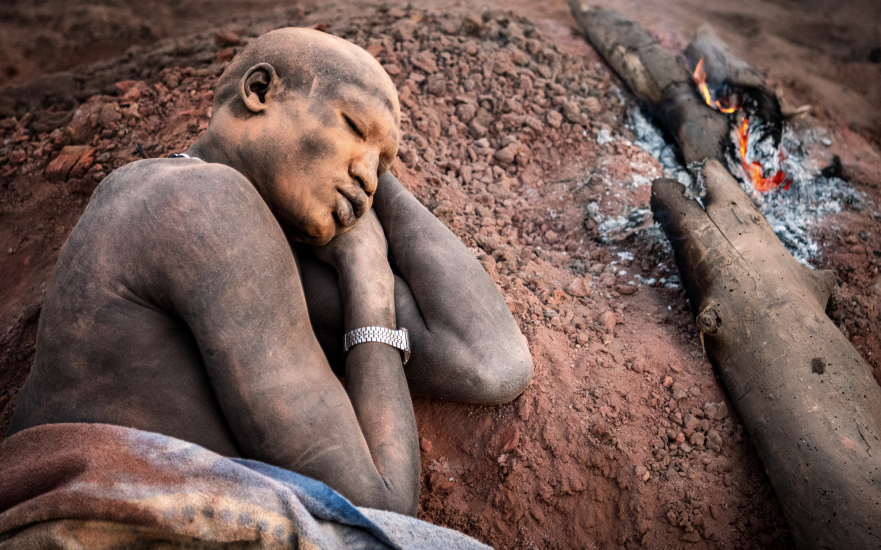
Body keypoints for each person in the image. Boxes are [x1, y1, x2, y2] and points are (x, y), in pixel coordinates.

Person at [2, 28, 532, 543]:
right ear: (260, 92)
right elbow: (378, 509)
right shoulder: (199, 202)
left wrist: (370, 179)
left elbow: (490, 362)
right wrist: (368, 269)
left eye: (383, 164)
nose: (369, 175)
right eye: (353, 125)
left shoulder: (263, 247)